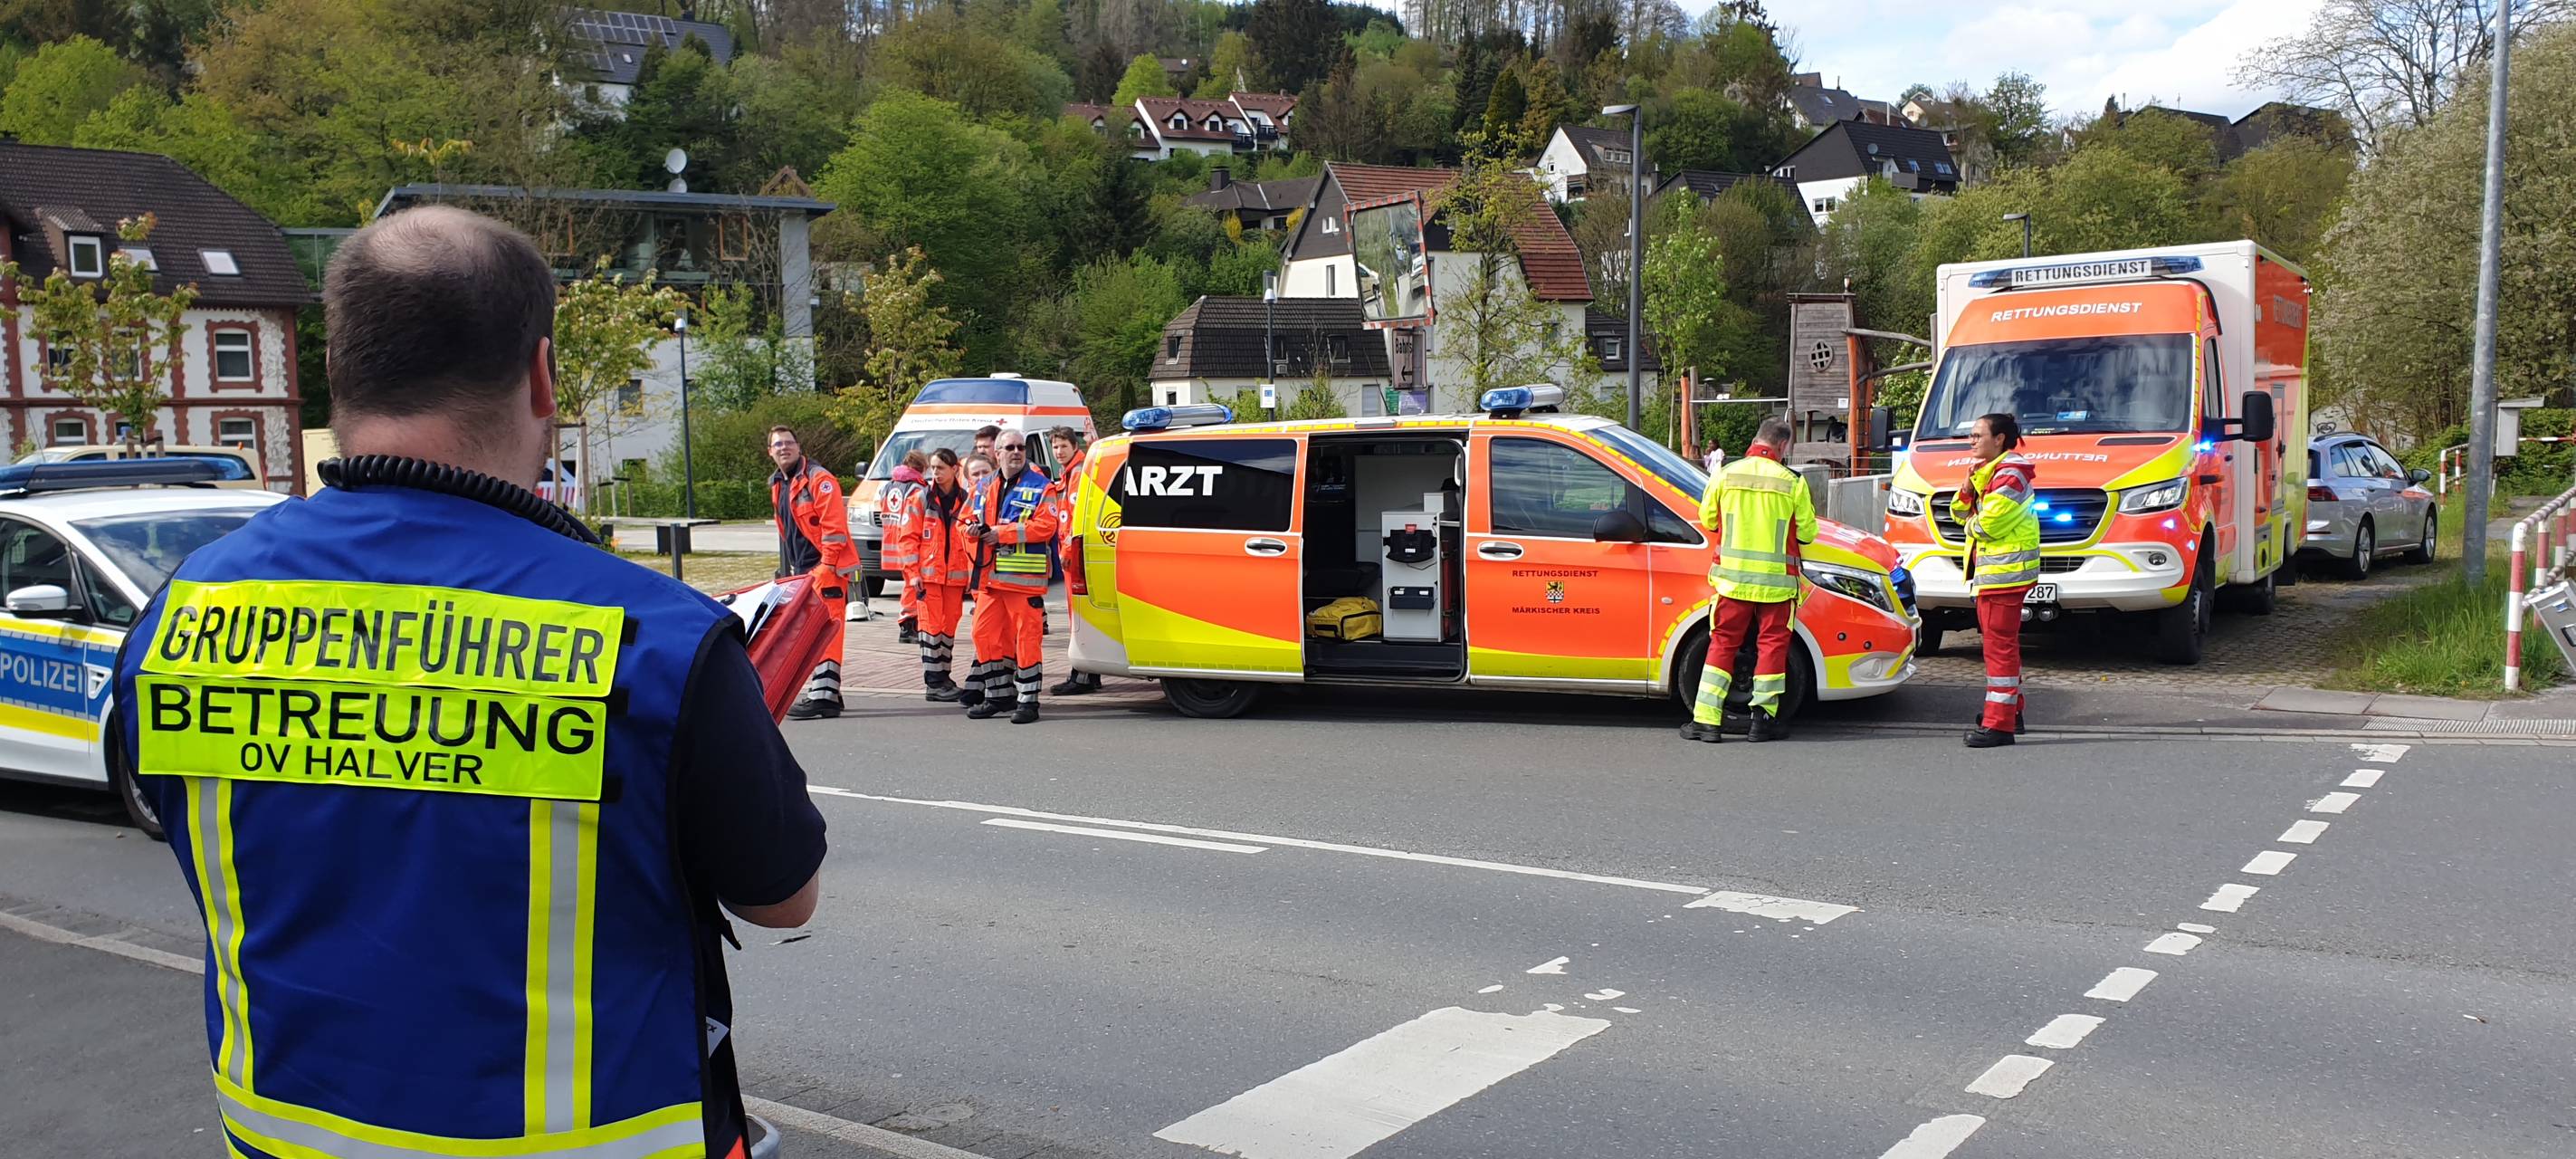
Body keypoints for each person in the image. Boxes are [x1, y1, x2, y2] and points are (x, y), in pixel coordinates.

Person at [107, 206, 825, 1159]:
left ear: (341, 368)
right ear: (541, 375)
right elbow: (783, 899)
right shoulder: (649, 638)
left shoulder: (181, 614)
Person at [1682, 416, 1818, 744]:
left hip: (1732, 581)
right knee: (1771, 647)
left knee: (1723, 643)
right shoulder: (1792, 482)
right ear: (1782, 446)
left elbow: (1708, 519)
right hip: (1777, 585)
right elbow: (1809, 533)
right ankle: (1762, 721)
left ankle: (1707, 721)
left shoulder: (1725, 474)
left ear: (1757, 440)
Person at [959, 432, 1054, 723]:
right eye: (1010, 447)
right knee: (983, 634)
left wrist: (1002, 533)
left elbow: (1046, 526)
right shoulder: (983, 486)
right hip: (989, 579)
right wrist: (971, 530)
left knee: (1027, 639)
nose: (1016, 452)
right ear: (997, 453)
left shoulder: (1041, 486)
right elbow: (963, 521)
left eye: (1021, 447)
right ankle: (999, 695)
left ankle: (1028, 701)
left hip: (1023, 581)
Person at [1957, 412, 2039, 748]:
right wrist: (1967, 488)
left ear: (2000, 439)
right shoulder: (1989, 473)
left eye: (1978, 435)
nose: (1972, 441)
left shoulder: (2010, 477)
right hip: (1996, 576)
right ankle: (2011, 713)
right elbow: (1958, 510)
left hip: (2003, 576)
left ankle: (1998, 725)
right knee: (2004, 648)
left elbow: (1984, 526)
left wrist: (1971, 520)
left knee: (1999, 651)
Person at [768, 425, 856, 719]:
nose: (783, 448)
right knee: (816, 631)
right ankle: (829, 692)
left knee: (825, 633)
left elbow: (834, 528)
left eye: (788, 443)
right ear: (771, 452)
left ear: (798, 446)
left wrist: (827, 565)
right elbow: (787, 531)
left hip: (825, 568)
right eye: (778, 444)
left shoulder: (819, 479)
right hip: (806, 570)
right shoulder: (779, 483)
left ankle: (824, 698)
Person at [909, 448, 974, 701]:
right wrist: (913, 573)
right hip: (929, 578)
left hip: (955, 580)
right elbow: (908, 539)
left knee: (947, 630)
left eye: (940, 468)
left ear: (955, 469)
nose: (935, 472)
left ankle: (944, 678)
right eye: (933, 468)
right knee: (930, 630)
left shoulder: (965, 500)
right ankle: (934, 683)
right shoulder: (922, 499)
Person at [1043, 426, 1102, 696]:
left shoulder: (1077, 473)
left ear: (1073, 445)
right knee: (1080, 615)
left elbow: (1077, 516)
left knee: (1078, 616)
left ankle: (1082, 675)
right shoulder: (1069, 473)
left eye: (1063, 446)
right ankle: (1088, 672)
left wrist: (1067, 550)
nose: (1059, 451)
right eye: (1055, 447)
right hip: (1072, 553)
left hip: (1074, 555)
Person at [881, 449, 930, 645]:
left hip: (891, 541)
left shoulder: (888, 486)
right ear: (922, 467)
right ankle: (908, 624)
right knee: (912, 584)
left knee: (910, 582)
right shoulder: (916, 489)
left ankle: (910, 623)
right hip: (908, 540)